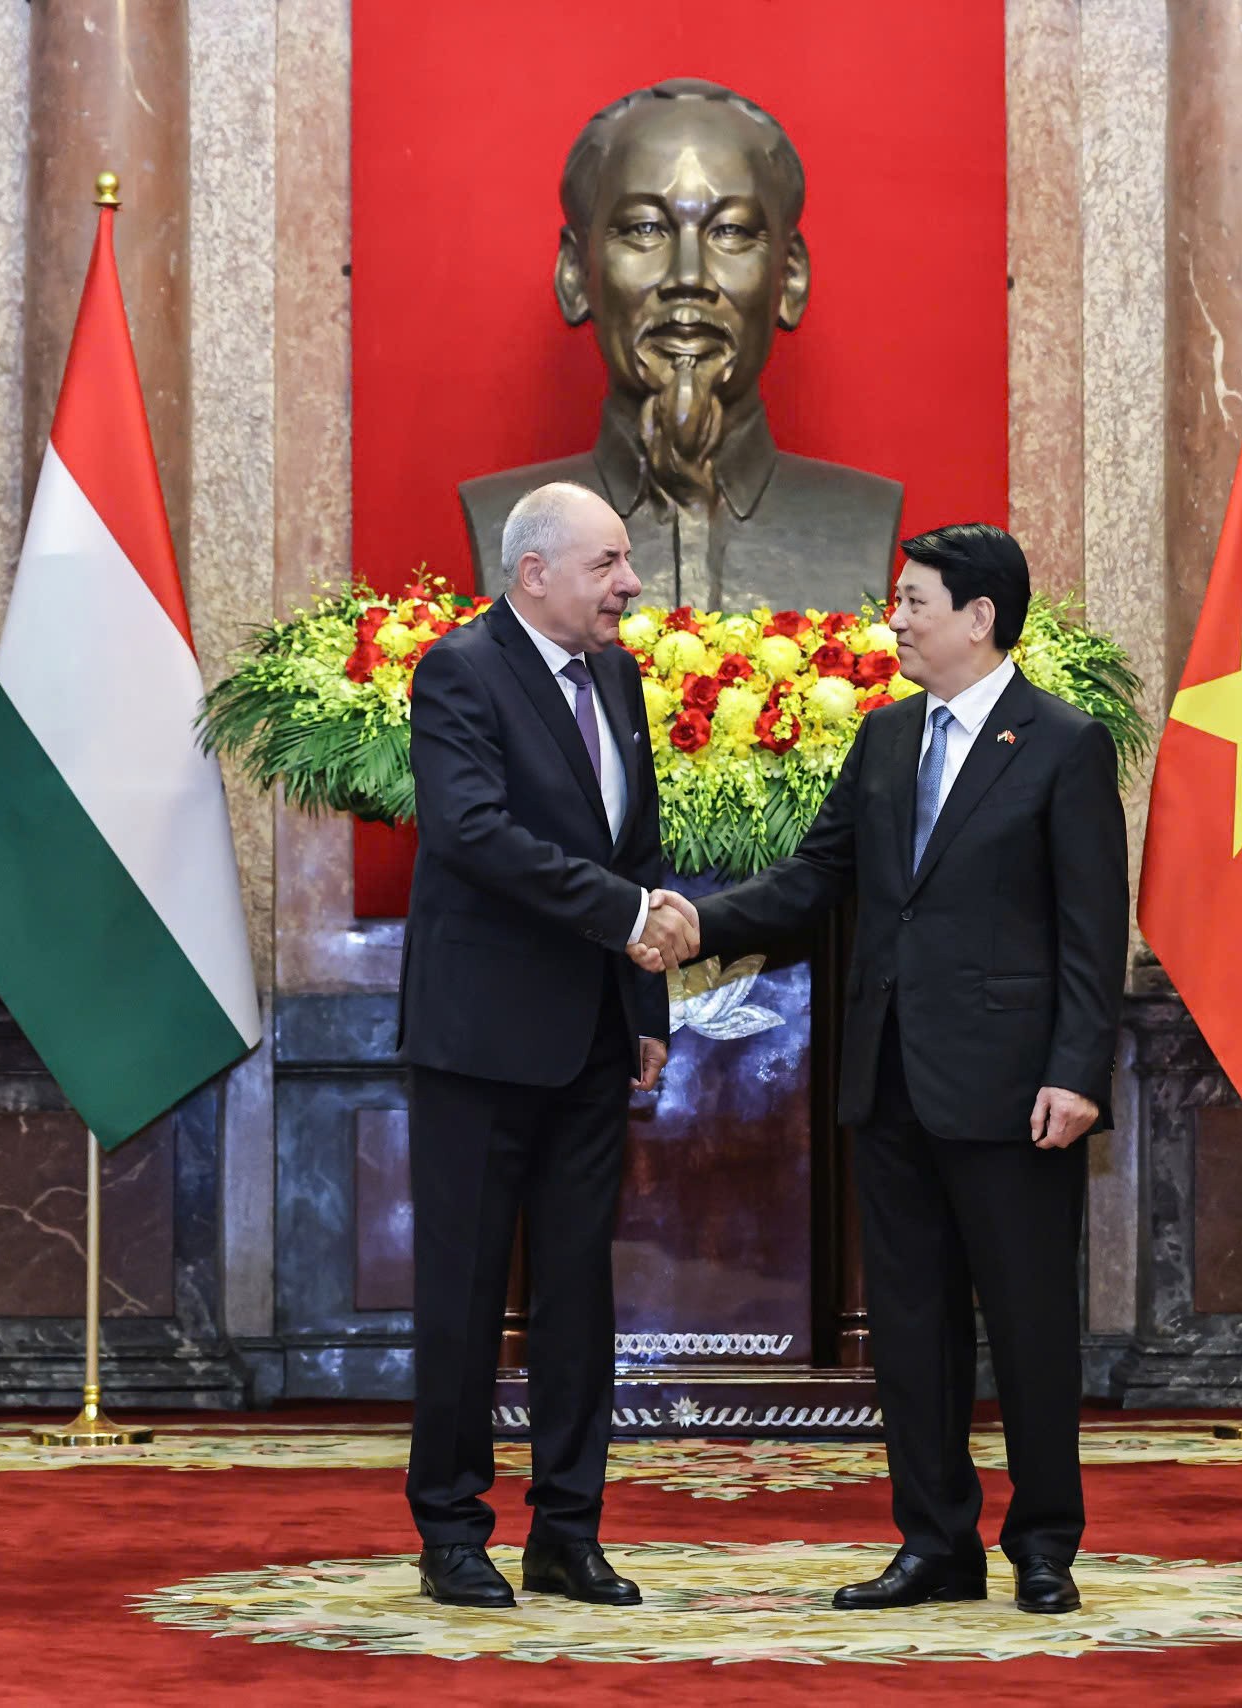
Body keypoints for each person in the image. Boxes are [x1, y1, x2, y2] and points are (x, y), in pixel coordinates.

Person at [635, 524, 1125, 1615]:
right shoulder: (887, 735)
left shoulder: (1062, 742)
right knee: (910, 1329)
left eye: (912, 602)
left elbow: (1093, 929)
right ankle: (935, 1544)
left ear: (979, 617)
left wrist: (1077, 1071)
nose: (892, 620)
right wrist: (696, 922)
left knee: (1030, 1327)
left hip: (1015, 1091)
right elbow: (815, 880)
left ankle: (1044, 1544)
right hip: (891, 1081)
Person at [400, 480, 696, 1609]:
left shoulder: (614, 675)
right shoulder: (460, 671)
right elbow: (472, 832)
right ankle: (451, 1530)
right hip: (479, 1039)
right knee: (467, 1291)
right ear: (534, 573)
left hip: (592, 1037)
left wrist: (647, 1005)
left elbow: (638, 844)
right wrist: (625, 917)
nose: (630, 584)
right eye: (608, 563)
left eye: (626, 562)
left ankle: (568, 1530)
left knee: (578, 1297)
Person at [459, 77, 902, 613]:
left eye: (730, 231)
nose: (688, 277)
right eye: (645, 229)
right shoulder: (502, 521)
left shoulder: (864, 519)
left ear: (789, 278)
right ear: (575, 274)